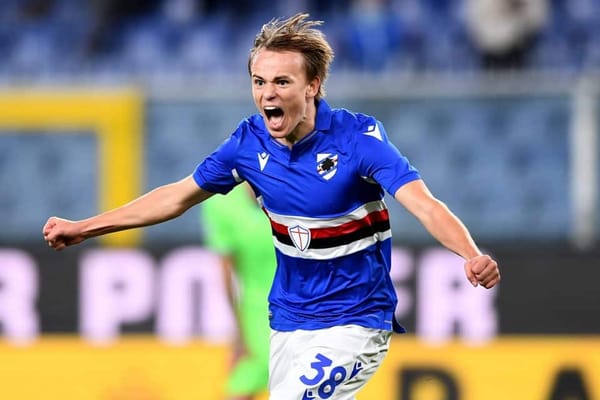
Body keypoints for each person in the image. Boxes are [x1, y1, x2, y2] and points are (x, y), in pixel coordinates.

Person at [43, 13, 500, 400]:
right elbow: (177, 196)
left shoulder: (358, 141)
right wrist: (86, 227)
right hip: (287, 321)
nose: (268, 94)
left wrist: (470, 253)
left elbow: (424, 204)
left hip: (355, 320)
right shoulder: (248, 143)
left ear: (313, 85)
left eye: (282, 81)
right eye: (259, 82)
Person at [201, 182, 276, 400]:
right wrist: (238, 332)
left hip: (303, 302)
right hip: (257, 309)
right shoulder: (223, 204)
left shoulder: (294, 194)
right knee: (255, 372)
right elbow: (226, 275)